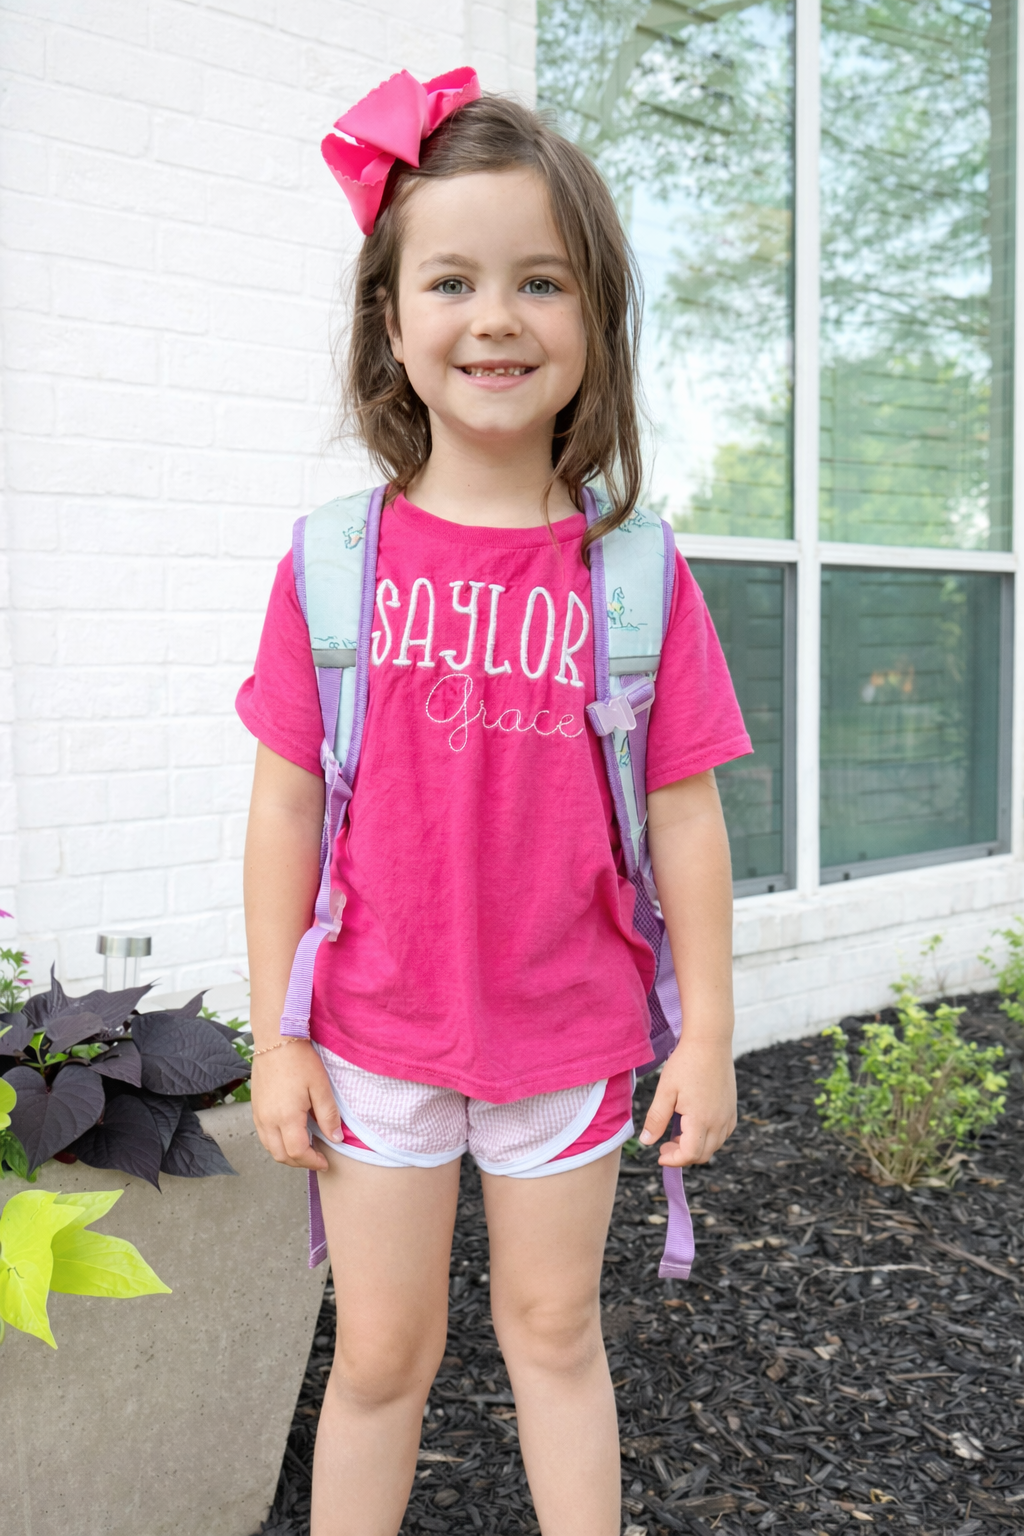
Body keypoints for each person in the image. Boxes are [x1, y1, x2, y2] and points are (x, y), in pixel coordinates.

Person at [237, 67, 751, 1536]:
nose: (497, 317)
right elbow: (283, 816)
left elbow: (686, 821)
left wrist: (704, 1034)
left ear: (594, 318)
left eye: (541, 280)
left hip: (570, 1042)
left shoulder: (633, 575)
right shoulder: (334, 567)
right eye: (451, 279)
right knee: (385, 1358)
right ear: (391, 325)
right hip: (376, 1041)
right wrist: (279, 1037)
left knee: (556, 1340)